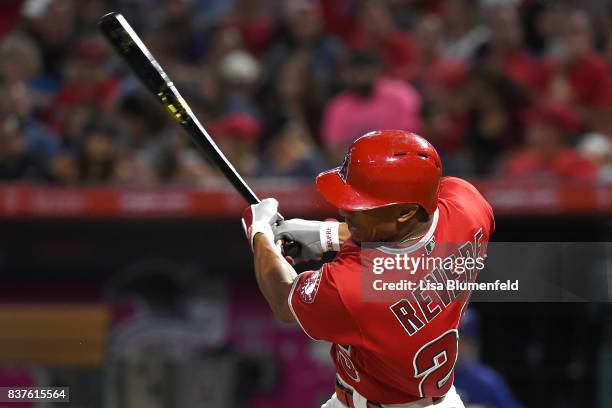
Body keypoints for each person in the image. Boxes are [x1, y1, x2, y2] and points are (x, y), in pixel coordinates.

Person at [241, 130, 495, 407]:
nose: (343, 210)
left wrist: (261, 234)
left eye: (360, 203)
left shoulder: (351, 287)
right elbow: (414, 241)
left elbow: (283, 299)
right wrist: (328, 234)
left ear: (404, 212)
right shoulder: (468, 207)